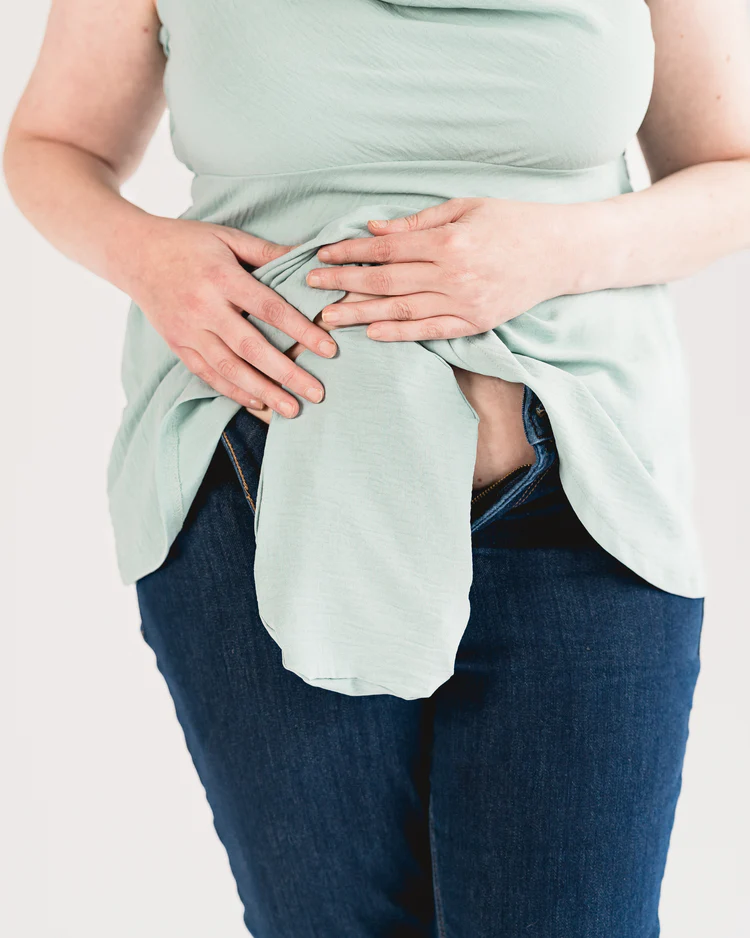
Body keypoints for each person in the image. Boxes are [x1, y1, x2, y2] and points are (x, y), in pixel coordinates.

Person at [5, 0, 750, 934]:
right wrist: (149, 258)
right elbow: (49, 140)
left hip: (587, 501)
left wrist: (562, 248)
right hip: (260, 499)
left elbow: (734, 169)